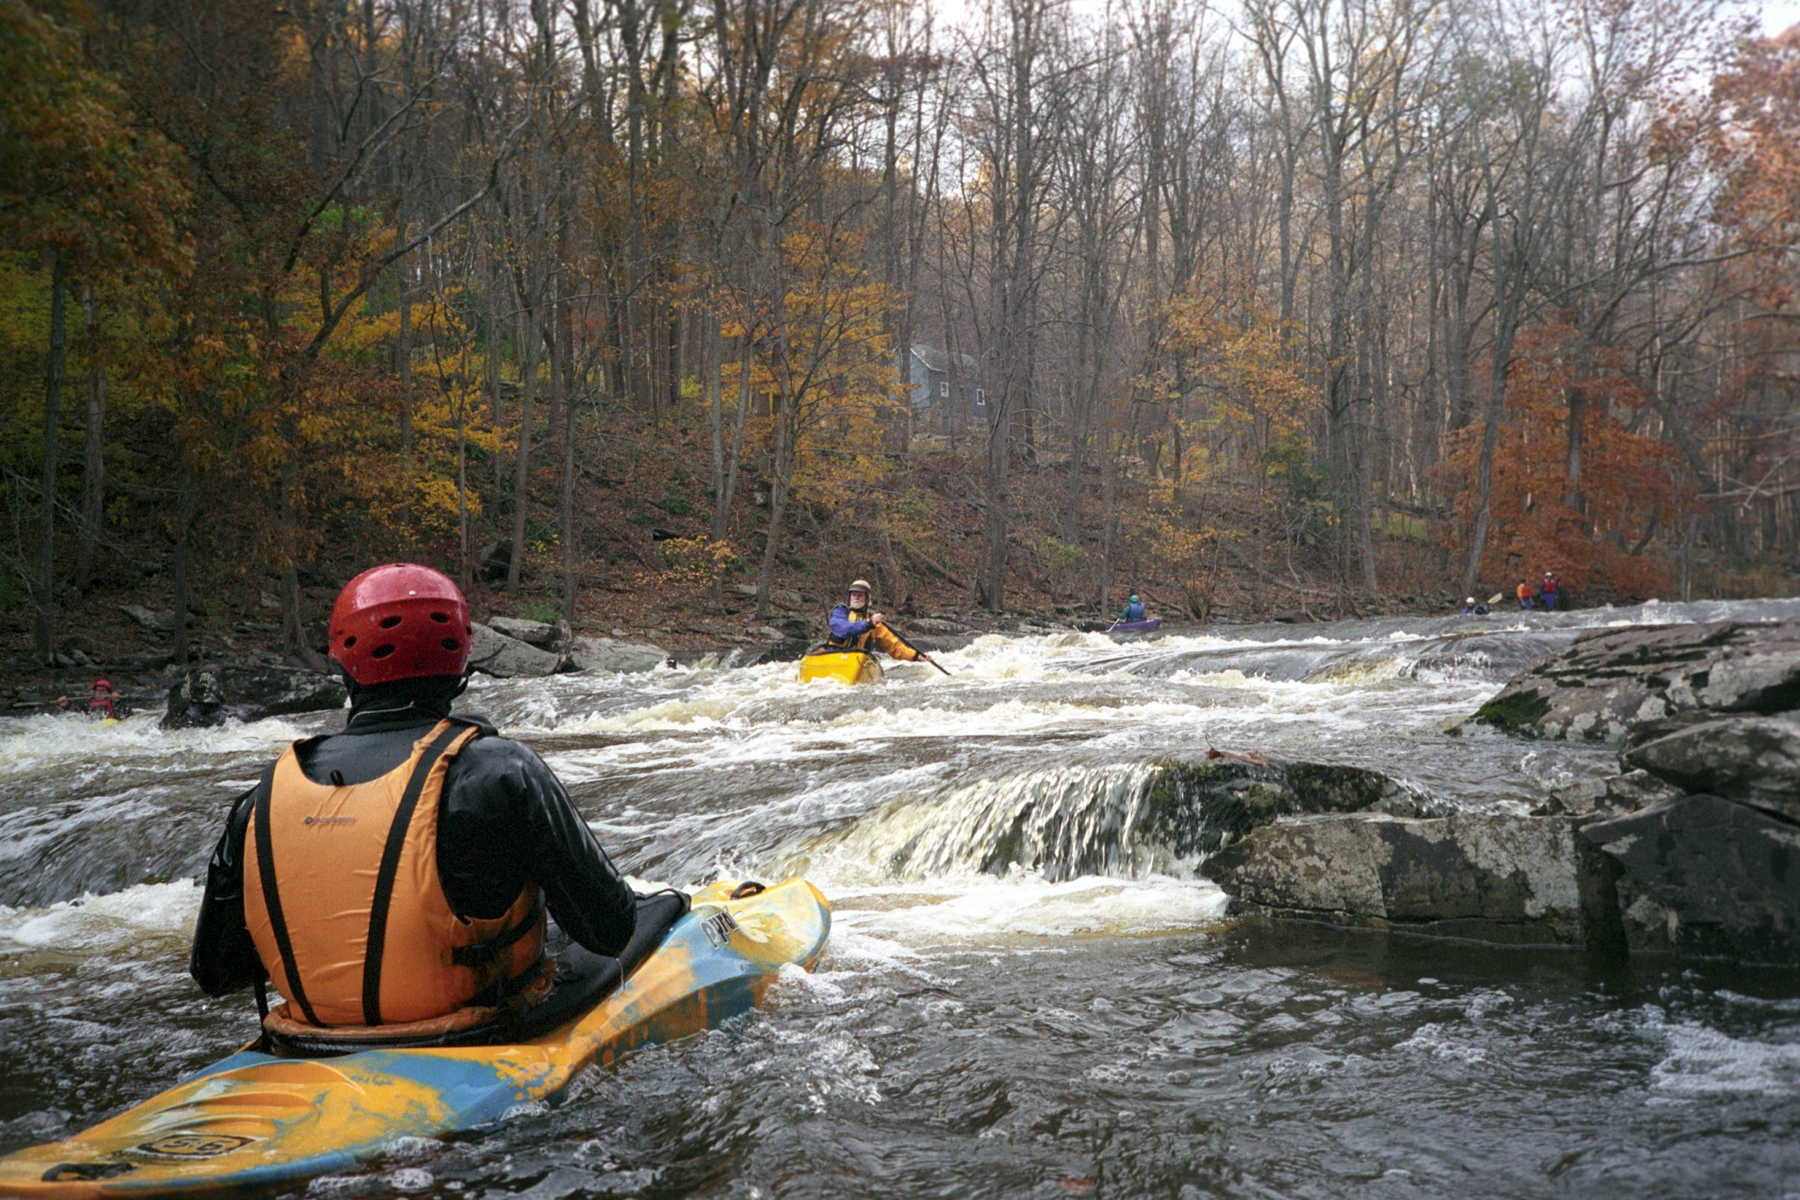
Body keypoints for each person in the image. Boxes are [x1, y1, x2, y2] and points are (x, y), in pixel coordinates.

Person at [190, 563, 663, 1042]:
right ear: (462, 661)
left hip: (312, 1037)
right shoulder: (497, 769)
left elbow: (217, 973)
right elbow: (611, 930)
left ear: (342, 664)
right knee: (658, 911)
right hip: (472, 1031)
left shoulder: (260, 800)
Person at [825, 578, 920, 662]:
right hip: (834, 656)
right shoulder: (841, 611)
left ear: (867, 599)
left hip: (856, 661)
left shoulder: (874, 623)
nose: (856, 598)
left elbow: (893, 646)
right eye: (854, 595)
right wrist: (868, 624)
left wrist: (916, 656)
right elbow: (841, 628)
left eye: (860, 595)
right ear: (849, 597)